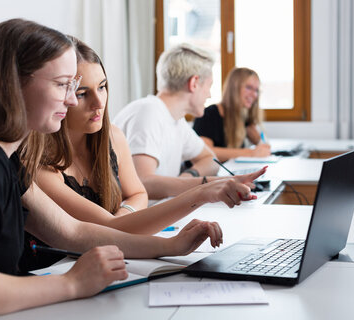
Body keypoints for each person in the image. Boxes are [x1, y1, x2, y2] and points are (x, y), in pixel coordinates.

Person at [0, 18, 222, 316]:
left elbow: (73, 232)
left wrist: (170, 246)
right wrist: (72, 284)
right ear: (14, 83)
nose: (71, 101)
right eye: (64, 85)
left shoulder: (10, 164)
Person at [36, 37, 263, 236]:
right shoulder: (38, 161)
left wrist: (195, 182)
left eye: (103, 87)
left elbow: (137, 194)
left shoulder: (115, 135)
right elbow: (114, 224)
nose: (99, 104)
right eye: (82, 93)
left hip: (128, 237)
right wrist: (202, 190)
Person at [113, 44, 261, 202]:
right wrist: (209, 184)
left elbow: (211, 160)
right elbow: (142, 184)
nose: (210, 94)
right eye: (209, 86)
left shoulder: (176, 120)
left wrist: (188, 176)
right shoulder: (149, 112)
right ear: (194, 83)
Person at [193, 67, 271, 162]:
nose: (255, 95)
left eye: (256, 90)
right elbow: (205, 152)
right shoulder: (208, 114)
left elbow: (264, 145)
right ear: (234, 88)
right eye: (249, 88)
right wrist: (251, 153)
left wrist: (259, 141)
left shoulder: (243, 118)